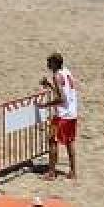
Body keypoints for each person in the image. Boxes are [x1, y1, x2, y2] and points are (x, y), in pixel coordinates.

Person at [37, 52, 78, 180]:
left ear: (54, 63)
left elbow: (61, 98)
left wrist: (45, 104)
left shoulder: (56, 76)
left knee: (52, 141)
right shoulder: (67, 72)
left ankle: (52, 173)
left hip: (62, 115)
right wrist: (49, 85)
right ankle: (73, 171)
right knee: (69, 141)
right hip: (72, 113)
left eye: (49, 63)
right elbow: (64, 90)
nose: (48, 65)